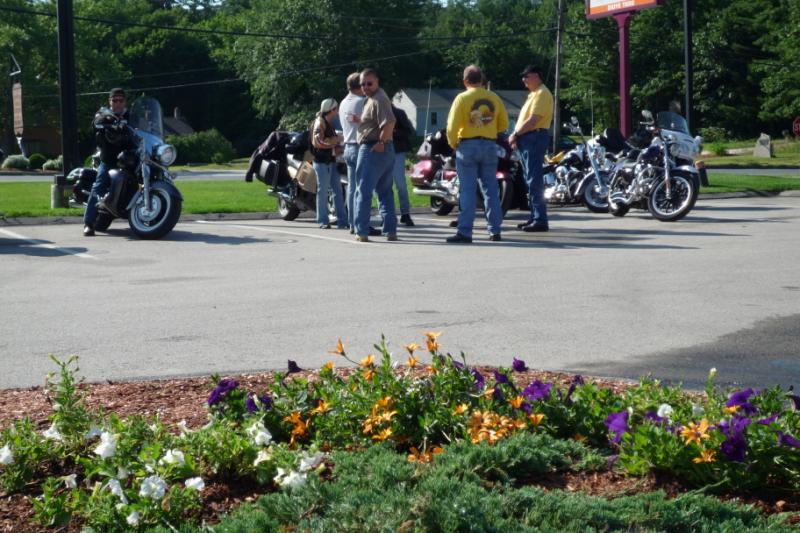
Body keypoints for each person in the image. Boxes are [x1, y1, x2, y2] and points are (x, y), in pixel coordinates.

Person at [444, 65, 509, 243]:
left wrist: (454, 144)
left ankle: (465, 232)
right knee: (490, 190)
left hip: (467, 145)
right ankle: (495, 230)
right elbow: (503, 124)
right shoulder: (494, 97)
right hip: (489, 145)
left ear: (465, 81)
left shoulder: (462, 98)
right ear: (482, 80)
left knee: (467, 190)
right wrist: (489, 129)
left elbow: (451, 127)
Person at [353, 68, 398, 242]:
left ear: (377, 81)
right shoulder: (372, 98)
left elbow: (390, 122)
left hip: (374, 148)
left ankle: (361, 231)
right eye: (362, 84)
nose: (365, 87)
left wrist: (381, 142)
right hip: (383, 149)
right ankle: (390, 231)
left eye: (369, 83)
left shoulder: (379, 98)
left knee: (363, 191)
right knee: (384, 191)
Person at [83, 88, 134, 236]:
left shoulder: (132, 116)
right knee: (99, 187)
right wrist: (108, 120)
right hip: (110, 160)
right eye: (114, 100)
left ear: (125, 102)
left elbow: (145, 127)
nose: (118, 103)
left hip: (130, 159)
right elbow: (96, 122)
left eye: (120, 100)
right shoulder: (104, 114)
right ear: (110, 101)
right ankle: (88, 223)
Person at [509, 65, 553, 232]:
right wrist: (518, 136)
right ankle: (534, 217)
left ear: (536, 76)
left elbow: (533, 120)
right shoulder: (534, 94)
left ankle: (540, 219)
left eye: (526, 76)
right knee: (529, 179)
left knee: (534, 180)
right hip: (528, 138)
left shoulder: (542, 93)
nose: (524, 80)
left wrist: (516, 134)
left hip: (534, 137)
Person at [339, 73, 380, 236]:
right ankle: (362, 224)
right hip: (359, 146)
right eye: (363, 84)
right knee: (363, 187)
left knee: (352, 188)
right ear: (360, 85)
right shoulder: (362, 101)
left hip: (347, 146)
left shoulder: (343, 103)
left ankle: (352, 223)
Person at [310, 98, 347, 229]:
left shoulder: (328, 122)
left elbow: (326, 143)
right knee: (323, 191)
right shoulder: (319, 122)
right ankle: (322, 221)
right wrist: (336, 140)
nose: (337, 111)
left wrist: (338, 147)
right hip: (322, 162)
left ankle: (342, 220)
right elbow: (318, 141)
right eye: (336, 109)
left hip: (330, 161)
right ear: (331, 110)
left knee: (337, 190)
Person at [390, 104, 415, 227]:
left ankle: (405, 213)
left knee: (400, 185)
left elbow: (408, 131)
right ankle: (387, 215)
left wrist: (393, 131)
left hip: (397, 151)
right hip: (381, 153)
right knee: (384, 186)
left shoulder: (399, 113)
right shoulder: (376, 112)